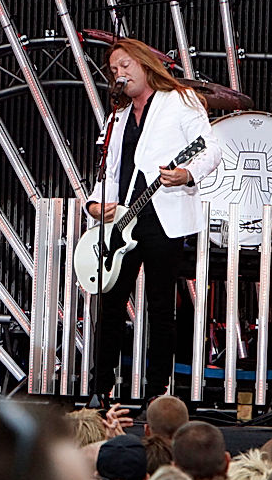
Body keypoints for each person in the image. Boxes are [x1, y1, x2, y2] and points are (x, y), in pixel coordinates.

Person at [87, 39, 221, 400]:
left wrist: (187, 174)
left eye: (126, 65)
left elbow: (210, 148)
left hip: (163, 215)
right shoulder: (117, 116)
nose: (120, 74)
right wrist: (94, 204)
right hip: (123, 219)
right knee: (111, 301)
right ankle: (101, 388)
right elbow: (109, 172)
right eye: (114, 70)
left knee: (162, 304)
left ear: (146, 64)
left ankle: (156, 390)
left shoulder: (180, 99)